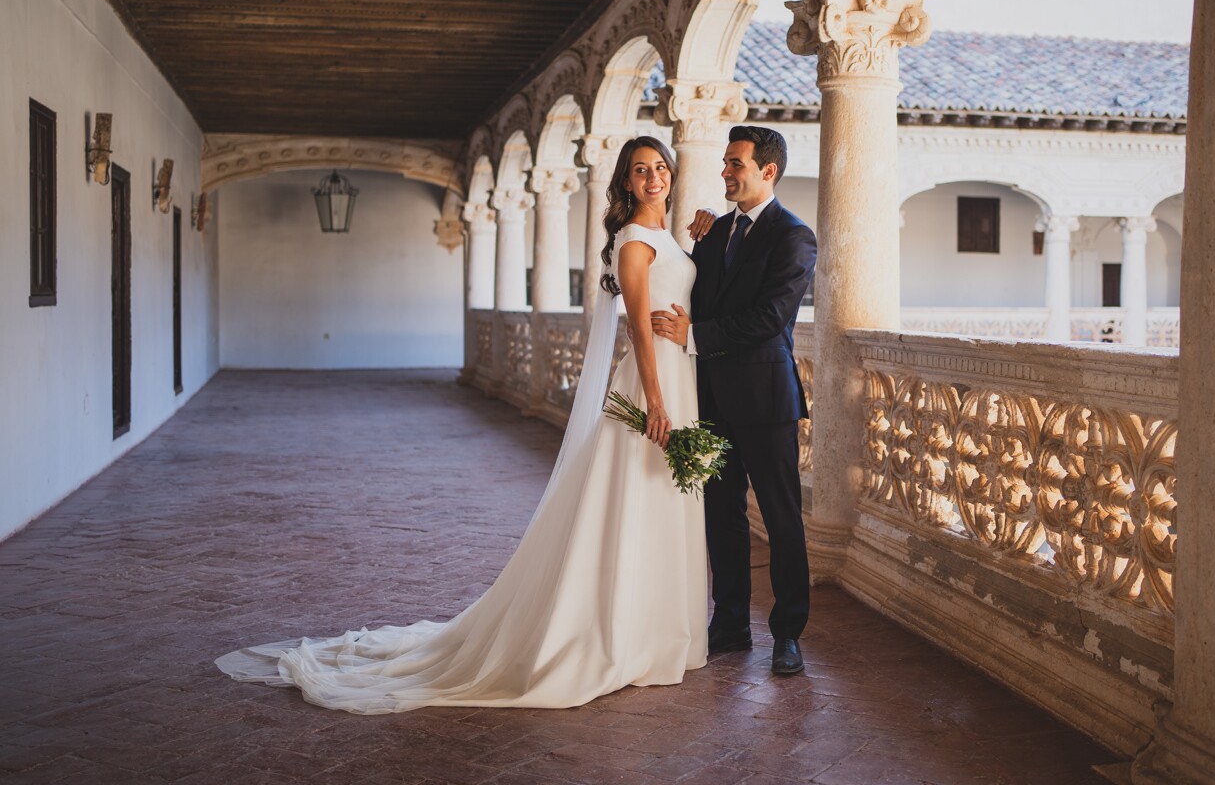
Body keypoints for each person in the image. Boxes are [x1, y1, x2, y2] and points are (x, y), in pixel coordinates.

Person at [215, 137, 707, 713]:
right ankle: (622, 633)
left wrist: (699, 251)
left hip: (679, 375)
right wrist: (654, 399)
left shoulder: (669, 235)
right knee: (635, 501)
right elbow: (640, 330)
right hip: (654, 385)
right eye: (641, 170)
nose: (653, 178)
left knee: (661, 497)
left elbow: (675, 305)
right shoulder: (634, 242)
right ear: (625, 182)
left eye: (660, 168)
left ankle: (657, 628)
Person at [651, 125, 817, 676]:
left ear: (767, 170)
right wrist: (686, 242)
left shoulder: (795, 236)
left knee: (781, 518)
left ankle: (788, 634)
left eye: (735, 164)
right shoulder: (715, 230)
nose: (725, 171)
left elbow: (772, 317)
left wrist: (694, 337)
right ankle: (730, 627)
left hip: (767, 399)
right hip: (712, 397)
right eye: (725, 163)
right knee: (722, 516)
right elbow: (693, 292)